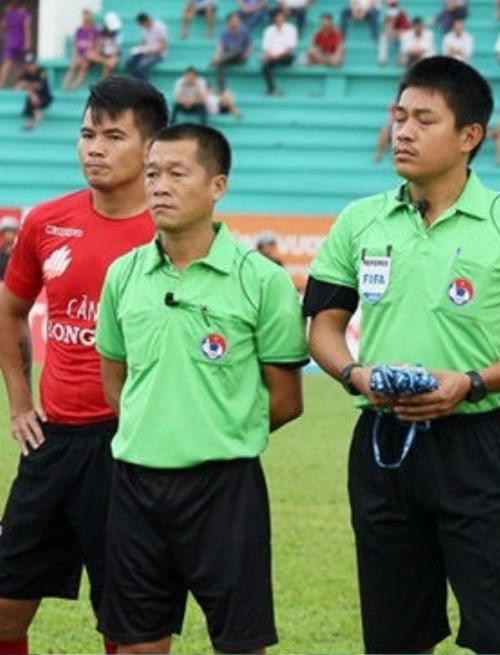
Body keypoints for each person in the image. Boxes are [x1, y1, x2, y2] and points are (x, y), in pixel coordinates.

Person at [305, 56, 500, 654]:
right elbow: (321, 324)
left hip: (475, 443)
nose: (404, 131)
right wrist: (353, 373)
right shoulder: (360, 220)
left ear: (470, 136)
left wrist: (471, 383)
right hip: (381, 443)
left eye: (424, 119)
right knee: (394, 635)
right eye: (399, 117)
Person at [94, 124, 305, 654]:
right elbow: (115, 383)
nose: (159, 186)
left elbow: (284, 399)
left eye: (176, 173)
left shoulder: (263, 280)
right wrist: (158, 429)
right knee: (137, 642)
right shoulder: (124, 275)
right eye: (152, 173)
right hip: (135, 485)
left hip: (225, 490)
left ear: (217, 185)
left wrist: (214, 430)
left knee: (239, 643)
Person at [0, 76, 167, 655]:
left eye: (113, 135)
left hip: (129, 446)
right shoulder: (46, 221)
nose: (94, 147)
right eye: (87, 133)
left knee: (130, 624)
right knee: (5, 605)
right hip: (51, 442)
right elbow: (10, 308)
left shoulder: (171, 231)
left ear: (152, 148)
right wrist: (20, 399)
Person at [210, 13, 253, 93]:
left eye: (237, 21)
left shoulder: (244, 31)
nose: (236, 23)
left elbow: (249, 46)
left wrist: (246, 55)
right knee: (220, 63)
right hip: (227, 57)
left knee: (237, 51)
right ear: (228, 22)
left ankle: (218, 61)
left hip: (240, 56)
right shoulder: (224, 32)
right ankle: (222, 89)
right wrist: (216, 56)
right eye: (234, 21)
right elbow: (220, 47)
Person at [261, 9, 298, 95]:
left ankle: (272, 90)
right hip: (272, 57)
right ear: (274, 19)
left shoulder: (291, 28)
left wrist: (275, 56)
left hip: (286, 56)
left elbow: (290, 48)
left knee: (287, 57)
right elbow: (266, 48)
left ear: (284, 18)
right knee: (264, 66)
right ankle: (272, 89)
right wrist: (268, 55)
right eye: (277, 17)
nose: (279, 19)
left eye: (281, 17)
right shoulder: (268, 30)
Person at [62, 9, 100, 91]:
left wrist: (88, 57)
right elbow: (75, 45)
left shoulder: (94, 30)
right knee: (74, 65)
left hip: (89, 56)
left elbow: (97, 46)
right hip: (80, 55)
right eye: (84, 16)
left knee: (84, 66)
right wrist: (76, 56)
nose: (85, 18)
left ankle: (74, 87)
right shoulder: (79, 30)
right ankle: (65, 86)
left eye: (87, 16)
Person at [125, 13, 169, 83]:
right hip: (146, 52)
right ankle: (135, 83)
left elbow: (163, 46)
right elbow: (143, 42)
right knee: (129, 62)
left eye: (142, 24)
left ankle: (145, 85)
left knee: (143, 66)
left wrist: (150, 52)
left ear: (146, 21)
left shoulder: (160, 27)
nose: (142, 27)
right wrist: (138, 49)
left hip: (157, 54)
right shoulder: (144, 28)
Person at [0, 1, 31, 88]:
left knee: (7, 65)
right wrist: (28, 42)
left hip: (10, 42)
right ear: (21, 6)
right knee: (23, 66)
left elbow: (2, 26)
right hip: (21, 43)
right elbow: (27, 29)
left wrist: (3, 35)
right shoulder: (25, 15)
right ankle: (19, 86)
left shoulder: (8, 15)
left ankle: (1, 84)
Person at [15, 59, 50, 132]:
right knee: (31, 99)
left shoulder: (41, 72)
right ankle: (31, 125)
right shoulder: (25, 74)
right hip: (33, 97)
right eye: (29, 65)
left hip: (45, 96)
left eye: (32, 64)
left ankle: (34, 126)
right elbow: (17, 88)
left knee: (36, 104)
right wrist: (32, 93)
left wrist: (26, 84)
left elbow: (40, 86)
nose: (31, 67)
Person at [377, 0, 410, 66]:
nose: (392, 7)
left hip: (401, 37)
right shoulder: (387, 15)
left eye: (393, 5)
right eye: (390, 5)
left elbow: (404, 31)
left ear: (397, 5)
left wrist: (392, 32)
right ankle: (382, 60)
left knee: (404, 37)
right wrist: (391, 22)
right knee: (383, 37)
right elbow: (386, 31)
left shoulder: (402, 14)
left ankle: (403, 60)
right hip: (393, 36)